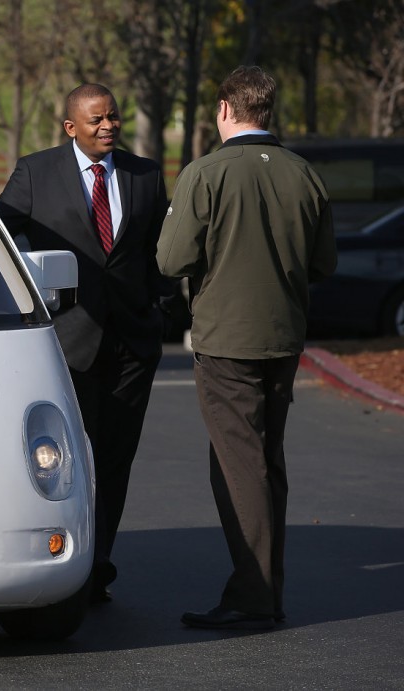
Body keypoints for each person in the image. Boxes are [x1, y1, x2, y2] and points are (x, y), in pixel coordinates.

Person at [0, 84, 170, 604]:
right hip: (72, 343)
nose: (109, 126)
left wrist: (165, 312)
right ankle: (72, 566)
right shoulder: (37, 173)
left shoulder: (145, 176)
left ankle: (98, 564)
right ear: (71, 127)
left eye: (114, 118)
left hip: (133, 344)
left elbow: (158, 255)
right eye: (97, 119)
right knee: (72, 463)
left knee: (116, 459)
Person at [157, 66, 337, 630]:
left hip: (226, 339)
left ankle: (253, 596)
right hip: (283, 335)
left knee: (240, 466)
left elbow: (170, 260)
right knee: (264, 461)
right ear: (267, 110)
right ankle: (265, 589)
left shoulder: (205, 173)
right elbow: (324, 263)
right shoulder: (303, 173)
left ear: (224, 110)